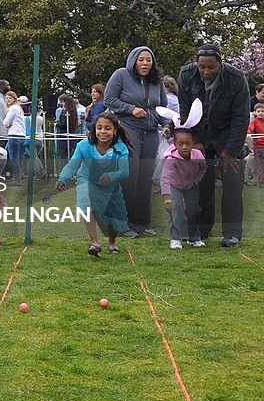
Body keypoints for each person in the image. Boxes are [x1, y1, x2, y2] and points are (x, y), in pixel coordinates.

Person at [177, 44, 250, 247]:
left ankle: (232, 234)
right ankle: (201, 231)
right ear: (196, 64)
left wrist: (230, 152)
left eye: (211, 67)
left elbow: (241, 117)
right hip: (200, 136)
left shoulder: (236, 79)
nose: (206, 71)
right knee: (202, 185)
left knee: (233, 186)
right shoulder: (186, 75)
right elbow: (184, 110)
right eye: (202, 67)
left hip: (229, 136)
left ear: (220, 64)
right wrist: (194, 141)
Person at [104, 47, 168, 237]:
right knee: (129, 177)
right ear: (133, 60)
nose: (145, 63)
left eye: (149, 60)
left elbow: (163, 108)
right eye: (141, 60)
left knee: (145, 178)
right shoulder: (121, 75)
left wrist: (165, 125)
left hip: (151, 133)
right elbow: (109, 99)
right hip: (128, 129)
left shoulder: (157, 81)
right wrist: (131, 108)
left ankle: (142, 223)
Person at [56, 112, 132, 257]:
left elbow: (125, 171)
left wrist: (111, 176)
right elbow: (72, 165)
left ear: (115, 130)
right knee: (85, 203)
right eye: (99, 128)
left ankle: (112, 242)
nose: (103, 132)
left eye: (107, 128)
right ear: (94, 129)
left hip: (111, 186)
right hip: (87, 180)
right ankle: (95, 243)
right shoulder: (84, 145)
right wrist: (63, 179)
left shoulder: (120, 148)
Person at [160, 120, 208, 249]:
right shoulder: (171, 159)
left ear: (193, 143)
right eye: (181, 144)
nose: (185, 147)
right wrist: (167, 197)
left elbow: (203, 168)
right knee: (177, 209)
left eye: (188, 144)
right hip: (174, 184)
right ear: (175, 145)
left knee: (193, 210)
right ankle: (175, 238)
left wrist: (195, 181)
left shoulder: (197, 155)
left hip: (191, 185)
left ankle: (194, 238)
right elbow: (165, 178)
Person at [2, 92, 27, 186]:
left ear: (14, 99)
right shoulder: (19, 109)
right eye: (7, 98)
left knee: (13, 158)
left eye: (10, 98)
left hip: (14, 135)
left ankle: (17, 179)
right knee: (9, 154)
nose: (8, 100)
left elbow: (5, 122)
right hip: (21, 135)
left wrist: (8, 124)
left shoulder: (13, 108)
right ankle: (20, 174)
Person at [248, 103, 264, 187]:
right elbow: (250, 129)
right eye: (259, 111)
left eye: (262, 111)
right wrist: (249, 134)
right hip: (258, 147)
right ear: (255, 112)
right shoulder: (254, 122)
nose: (261, 113)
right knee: (261, 165)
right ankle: (260, 182)